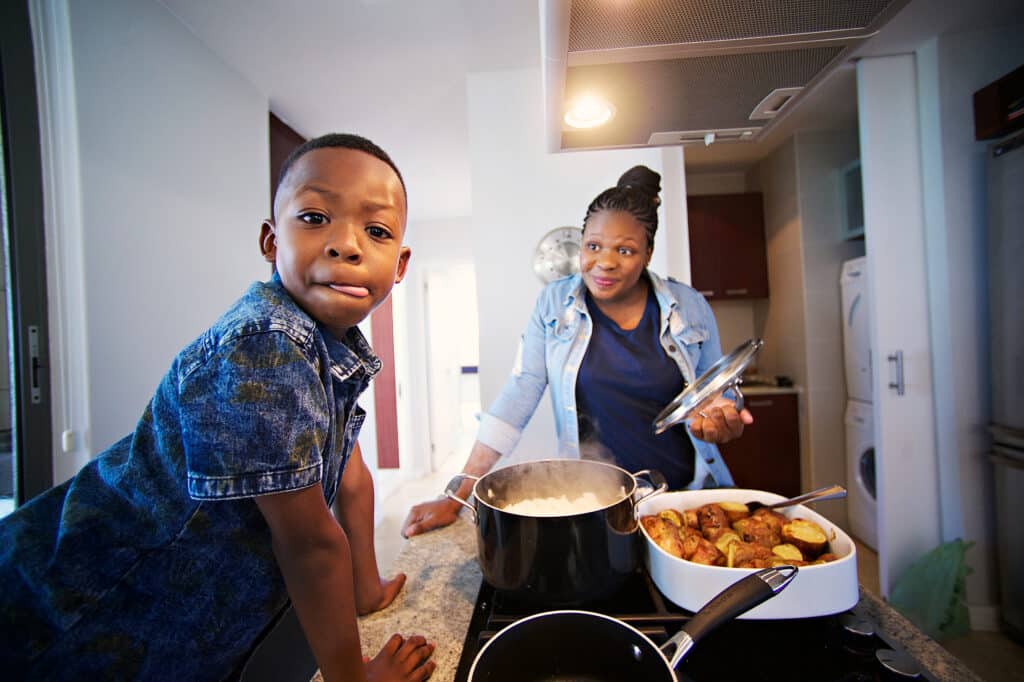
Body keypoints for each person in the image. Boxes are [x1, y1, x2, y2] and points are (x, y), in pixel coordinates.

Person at [0, 134, 435, 682]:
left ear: (399, 264)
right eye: (315, 216)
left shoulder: (334, 344)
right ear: (270, 241)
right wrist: (355, 678)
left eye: (375, 231)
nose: (346, 244)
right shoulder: (266, 343)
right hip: (75, 603)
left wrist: (365, 591)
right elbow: (309, 543)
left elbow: (349, 474)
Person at [402, 166, 752, 538]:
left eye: (625, 250)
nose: (605, 262)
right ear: (581, 243)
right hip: (596, 505)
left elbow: (719, 392)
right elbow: (518, 395)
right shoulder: (554, 305)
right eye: (593, 246)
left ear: (648, 254)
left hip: (685, 501)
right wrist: (458, 493)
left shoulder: (689, 305)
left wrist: (722, 416)